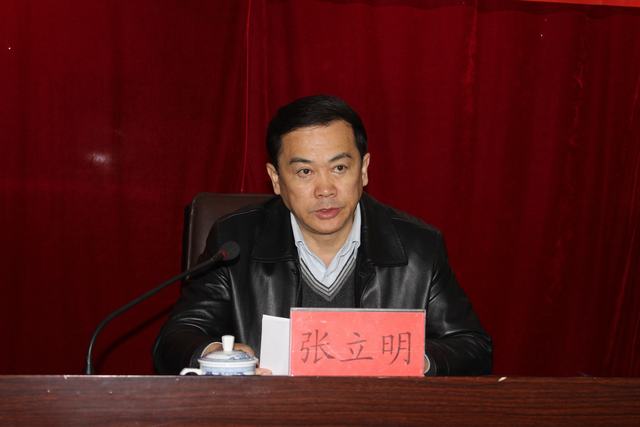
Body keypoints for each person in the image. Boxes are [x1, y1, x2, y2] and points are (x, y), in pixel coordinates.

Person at [153, 95, 492, 375]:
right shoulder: (235, 241)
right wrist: (219, 356)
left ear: (364, 170)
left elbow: (472, 347)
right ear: (276, 179)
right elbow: (176, 338)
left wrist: (412, 359)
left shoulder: (418, 248)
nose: (325, 189)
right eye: (305, 171)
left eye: (339, 168)